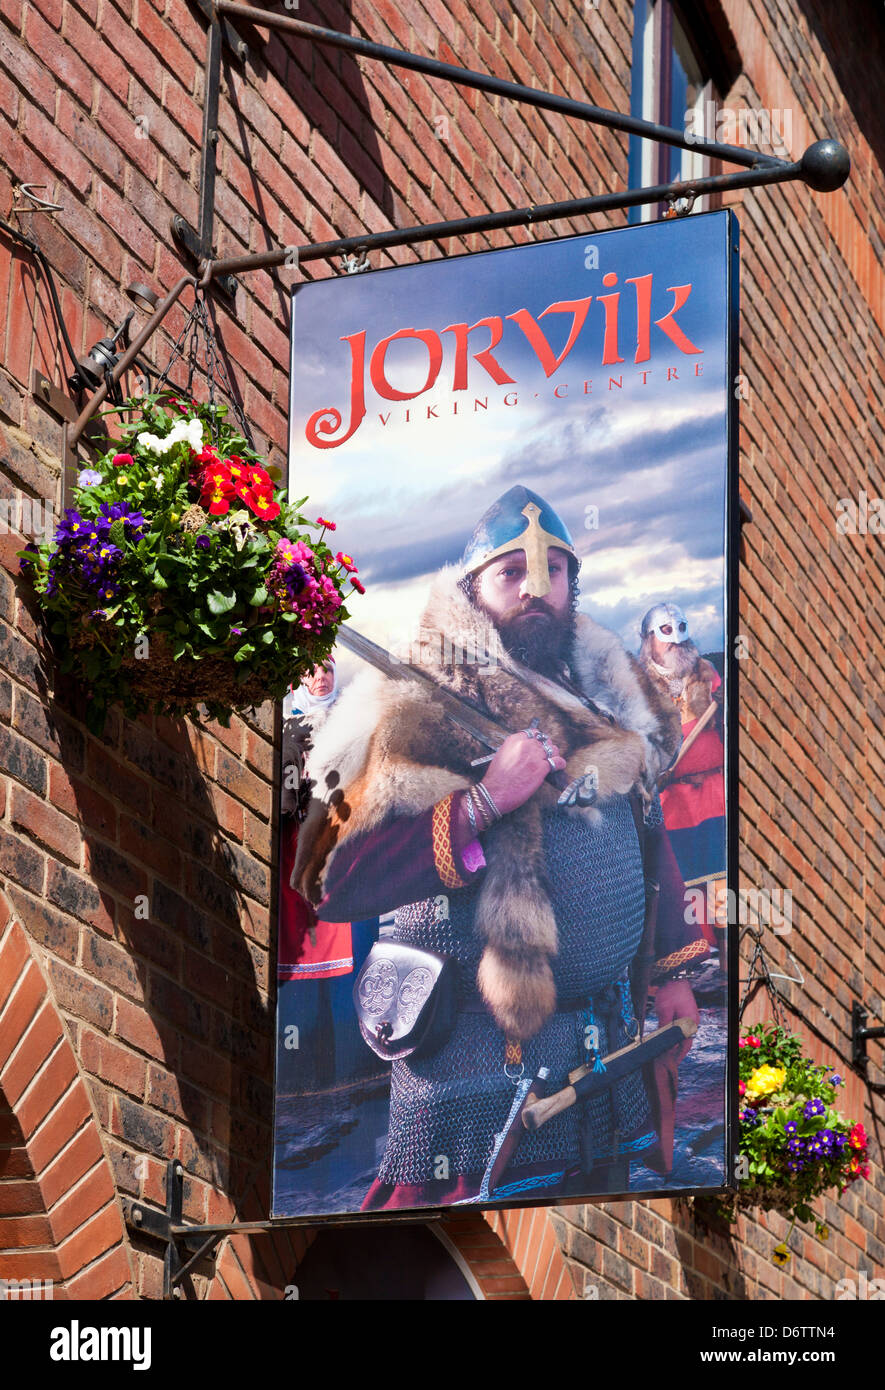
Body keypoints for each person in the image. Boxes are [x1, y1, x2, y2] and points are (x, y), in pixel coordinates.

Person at [295, 486, 710, 1206]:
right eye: (510, 572)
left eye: (552, 573)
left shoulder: (605, 701)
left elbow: (646, 835)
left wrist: (672, 968)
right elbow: (337, 877)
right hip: (474, 1064)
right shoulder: (412, 708)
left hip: (602, 1048)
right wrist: (484, 802)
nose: (534, 589)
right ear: (472, 590)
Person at [638, 604, 726, 956]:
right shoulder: (640, 687)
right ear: (649, 640)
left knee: (722, 874)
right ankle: (698, 952)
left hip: (714, 792)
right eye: (665, 632)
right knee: (685, 879)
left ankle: (730, 954)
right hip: (671, 800)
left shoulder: (707, 675)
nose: (675, 640)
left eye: (680, 629)